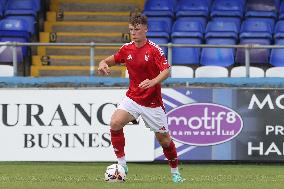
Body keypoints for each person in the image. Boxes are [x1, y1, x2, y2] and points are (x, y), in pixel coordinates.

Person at [97, 13, 185, 183]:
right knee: (115, 122)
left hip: (152, 103)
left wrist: (153, 82)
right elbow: (113, 59)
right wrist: (102, 63)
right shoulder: (127, 49)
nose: (133, 33)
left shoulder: (154, 50)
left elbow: (166, 70)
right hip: (133, 98)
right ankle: (122, 164)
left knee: (165, 141)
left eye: (137, 29)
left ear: (146, 29)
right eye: (131, 30)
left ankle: (175, 172)